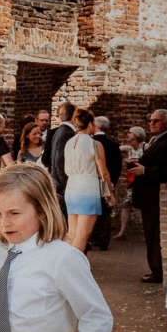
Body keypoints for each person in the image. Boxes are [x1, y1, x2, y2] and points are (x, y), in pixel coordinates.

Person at [0, 164, 113, 332]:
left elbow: (98, 317)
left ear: (41, 210)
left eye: (14, 213)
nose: (3, 223)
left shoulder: (63, 258)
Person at [130, 110, 167, 284]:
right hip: (147, 194)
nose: (151, 123)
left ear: (166, 123)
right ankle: (155, 269)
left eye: (155, 121)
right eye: (150, 120)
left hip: (154, 196)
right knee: (150, 233)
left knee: (153, 233)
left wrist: (144, 170)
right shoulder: (155, 140)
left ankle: (157, 271)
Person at [62, 109, 115, 252]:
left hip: (71, 188)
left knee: (71, 234)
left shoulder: (69, 143)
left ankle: (63, 267)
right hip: (87, 190)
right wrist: (110, 194)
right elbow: (104, 173)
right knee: (82, 237)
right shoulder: (95, 144)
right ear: (90, 124)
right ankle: (73, 271)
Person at [89, 116, 122, 251]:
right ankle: (104, 240)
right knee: (106, 210)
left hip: (92, 180)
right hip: (107, 180)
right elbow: (118, 165)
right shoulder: (113, 143)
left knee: (92, 209)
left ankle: (92, 238)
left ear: (95, 126)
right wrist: (113, 181)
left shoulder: (91, 142)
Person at [113, 126, 146, 240]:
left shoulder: (145, 147)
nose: (128, 135)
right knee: (126, 205)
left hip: (143, 182)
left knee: (144, 206)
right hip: (131, 182)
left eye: (130, 134)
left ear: (137, 135)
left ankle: (147, 233)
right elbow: (114, 149)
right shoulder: (129, 148)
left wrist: (132, 162)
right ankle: (122, 232)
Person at [43, 102, 77, 216]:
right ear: (73, 116)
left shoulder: (58, 131)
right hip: (62, 187)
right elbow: (59, 161)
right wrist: (66, 185)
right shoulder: (67, 133)